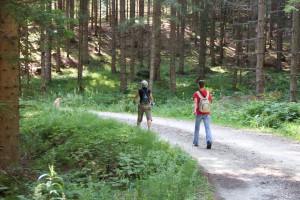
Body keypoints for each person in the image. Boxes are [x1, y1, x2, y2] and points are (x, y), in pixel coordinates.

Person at [193, 80, 213, 149]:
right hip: (207, 113)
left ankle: (196, 142)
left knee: (197, 128)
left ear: (199, 85)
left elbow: (195, 103)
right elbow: (209, 103)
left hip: (199, 113)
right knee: (207, 128)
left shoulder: (196, 93)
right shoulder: (208, 93)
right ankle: (209, 140)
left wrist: (195, 110)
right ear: (204, 85)